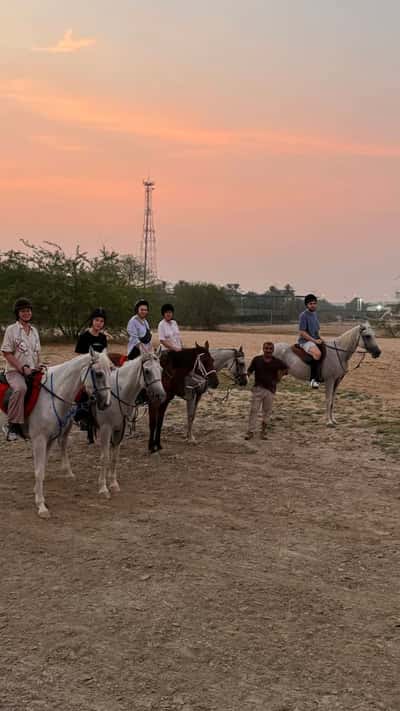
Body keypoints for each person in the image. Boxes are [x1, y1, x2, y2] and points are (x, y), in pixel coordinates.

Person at [1, 297, 41, 441]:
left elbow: (37, 353)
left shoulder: (34, 331)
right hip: (14, 371)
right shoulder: (12, 330)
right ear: (18, 313)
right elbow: (6, 352)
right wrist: (22, 368)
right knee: (20, 389)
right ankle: (12, 425)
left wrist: (38, 366)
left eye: (28, 311)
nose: (26, 313)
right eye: (23, 311)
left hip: (32, 370)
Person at [74, 308, 108, 443]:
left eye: (101, 321)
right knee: (84, 393)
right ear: (92, 321)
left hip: (100, 371)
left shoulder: (103, 337)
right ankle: (83, 419)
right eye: (97, 320)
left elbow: (105, 354)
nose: (99, 323)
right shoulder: (84, 336)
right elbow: (78, 356)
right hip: (86, 370)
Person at [245, 342, 287, 440]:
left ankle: (263, 433)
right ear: (263, 349)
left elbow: (286, 368)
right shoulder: (257, 360)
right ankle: (250, 432)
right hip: (257, 389)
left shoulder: (277, 361)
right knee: (253, 411)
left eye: (270, 348)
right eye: (266, 348)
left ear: (273, 350)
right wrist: (245, 378)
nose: (268, 350)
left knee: (267, 412)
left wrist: (279, 376)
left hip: (270, 390)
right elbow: (249, 371)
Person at [298, 293, 323, 388]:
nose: (313, 305)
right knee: (317, 354)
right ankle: (313, 379)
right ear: (307, 305)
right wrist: (314, 341)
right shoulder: (303, 316)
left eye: (314, 303)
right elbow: (302, 332)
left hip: (315, 339)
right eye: (311, 303)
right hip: (304, 341)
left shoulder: (315, 315)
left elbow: (316, 331)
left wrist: (320, 339)